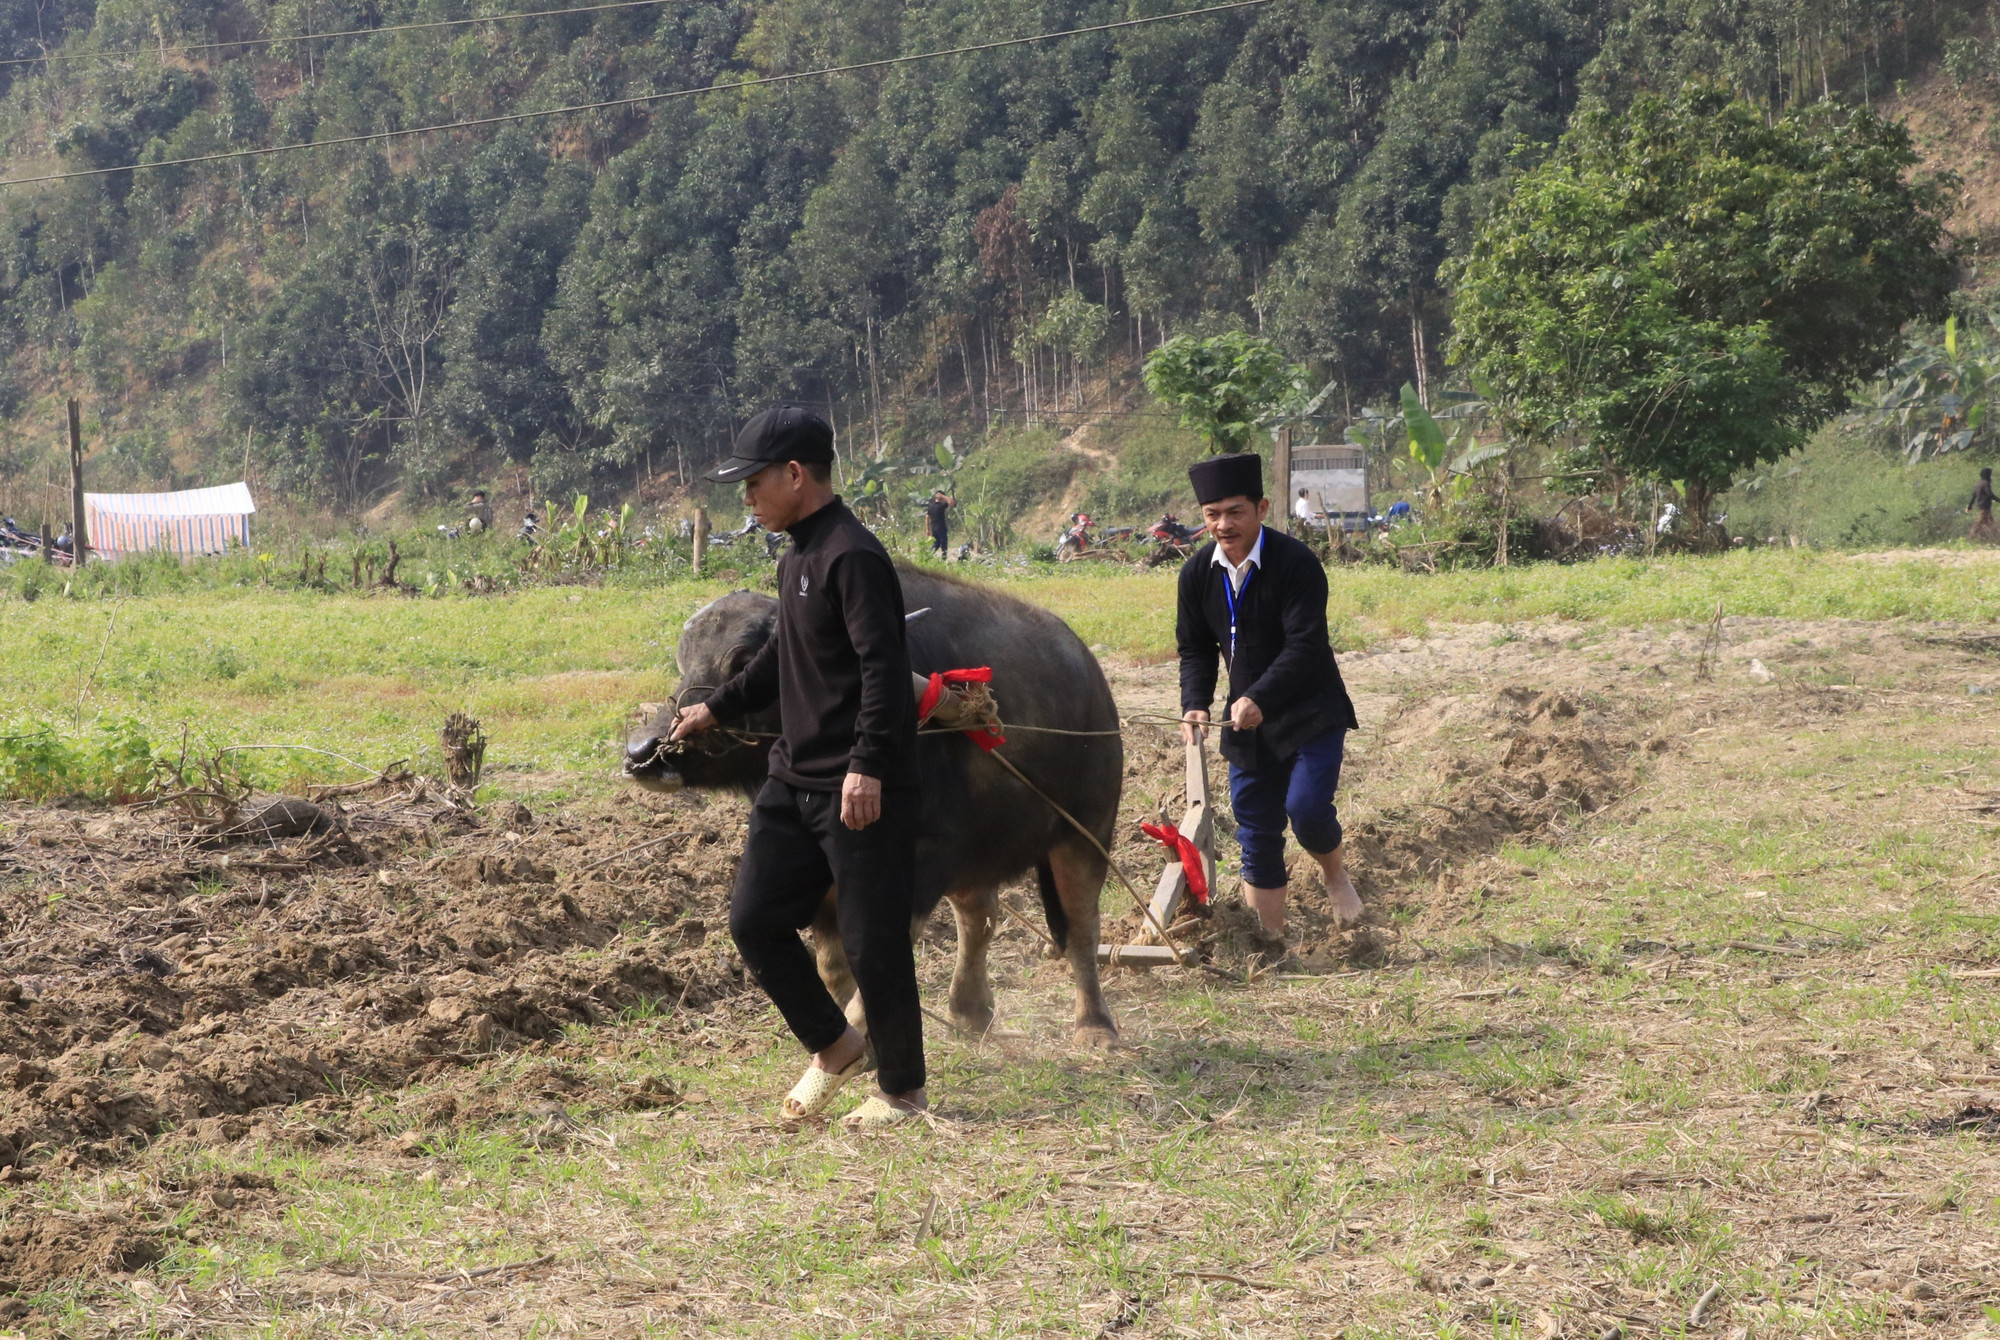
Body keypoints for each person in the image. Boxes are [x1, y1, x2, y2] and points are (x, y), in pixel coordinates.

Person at [670, 404, 927, 1128]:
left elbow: (884, 666)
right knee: (754, 920)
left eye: (752, 483)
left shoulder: (852, 555)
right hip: (795, 777)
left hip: (856, 781)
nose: (745, 498)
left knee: (874, 942)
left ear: (793, 474)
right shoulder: (797, 556)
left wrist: (869, 763)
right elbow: (785, 656)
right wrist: (714, 710)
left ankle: (902, 1091)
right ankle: (835, 1043)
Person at [1177, 452, 1362, 961]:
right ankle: (1271, 949)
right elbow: (1194, 648)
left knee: (1306, 810)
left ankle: (1334, 874)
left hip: (1310, 712)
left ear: (1260, 508)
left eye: (1234, 512)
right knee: (1256, 830)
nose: (1223, 524)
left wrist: (1260, 696)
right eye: (1212, 514)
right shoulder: (1197, 575)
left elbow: (1305, 645)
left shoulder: (1296, 564)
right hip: (1245, 721)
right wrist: (1195, 702)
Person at [924, 489, 955, 558]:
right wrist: (944, 496)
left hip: (934, 528)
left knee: (936, 544)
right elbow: (951, 502)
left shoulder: (931, 505)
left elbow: (927, 517)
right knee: (944, 544)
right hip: (941, 527)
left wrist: (928, 529)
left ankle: (927, 556)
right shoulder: (941, 505)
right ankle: (944, 559)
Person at [1971, 467, 1996, 543]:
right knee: (1978, 524)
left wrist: (1970, 506)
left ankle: (1993, 539)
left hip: (1982, 506)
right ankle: (1971, 538)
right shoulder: (1986, 483)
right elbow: (1990, 494)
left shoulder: (1979, 483)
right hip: (1984, 507)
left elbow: (1974, 495)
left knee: (1991, 524)